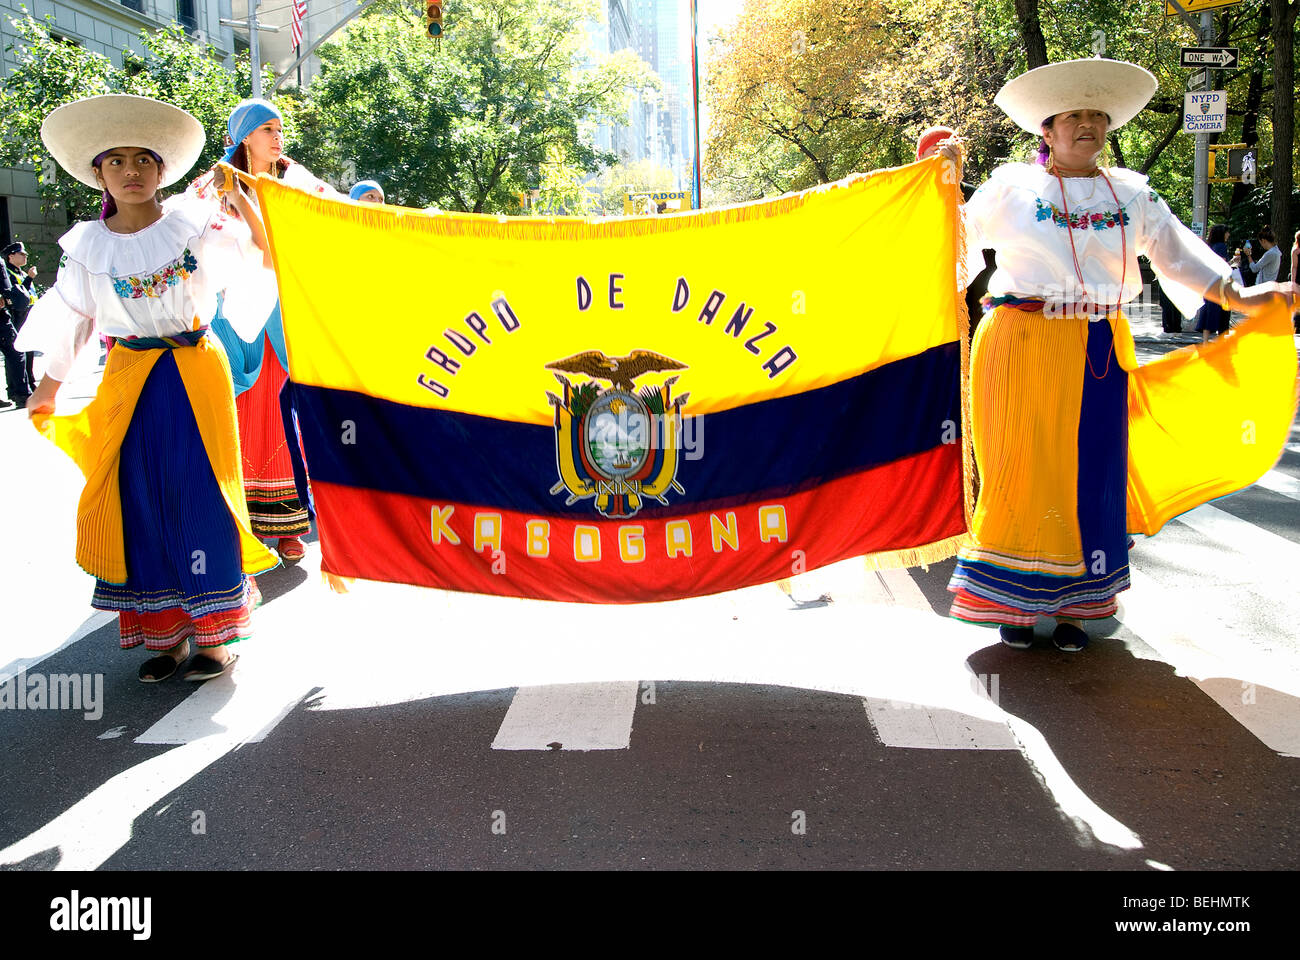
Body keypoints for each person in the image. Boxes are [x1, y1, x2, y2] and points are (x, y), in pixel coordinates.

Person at [940, 59, 1298, 653]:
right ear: (1047, 131)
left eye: (1098, 116)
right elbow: (954, 244)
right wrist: (940, 182)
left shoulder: (1132, 192)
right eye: (1074, 116)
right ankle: (1015, 603)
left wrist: (1238, 295)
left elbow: (1177, 252)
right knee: (1021, 468)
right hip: (1018, 341)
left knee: (1091, 472)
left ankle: (1080, 605)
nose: (1088, 125)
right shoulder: (1010, 187)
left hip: (1099, 348)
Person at [17, 94, 279, 682]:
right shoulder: (86, 247)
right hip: (129, 378)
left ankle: (215, 636)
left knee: (201, 491)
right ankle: (167, 635)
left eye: (144, 160)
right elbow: (77, 319)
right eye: (117, 162)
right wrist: (48, 388)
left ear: (164, 170)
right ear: (98, 173)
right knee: (138, 498)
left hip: (194, 372)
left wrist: (238, 195)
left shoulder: (195, 224)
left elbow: (259, 254)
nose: (131, 172)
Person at [187, 99, 338, 576]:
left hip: (280, 315)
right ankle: (242, 524)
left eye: (279, 128)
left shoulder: (297, 181)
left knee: (279, 412)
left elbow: (336, 212)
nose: (277, 137)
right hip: (232, 318)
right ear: (243, 137)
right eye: (266, 129)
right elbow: (184, 231)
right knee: (239, 413)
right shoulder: (213, 185)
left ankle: (290, 525)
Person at [0, 241, 37, 408]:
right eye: (21, 254)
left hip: (23, 314)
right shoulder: (3, 266)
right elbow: (12, 294)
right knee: (16, 351)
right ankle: (21, 393)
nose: (25, 256)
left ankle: (23, 390)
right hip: (11, 316)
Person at [1195, 224, 1232, 342]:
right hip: (1219, 284)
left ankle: (1205, 341)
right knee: (1222, 311)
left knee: (1208, 311)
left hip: (1209, 283)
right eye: (1226, 232)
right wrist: (1233, 262)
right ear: (1222, 234)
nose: (1228, 235)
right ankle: (1220, 341)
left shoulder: (1209, 246)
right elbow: (1223, 264)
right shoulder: (1221, 246)